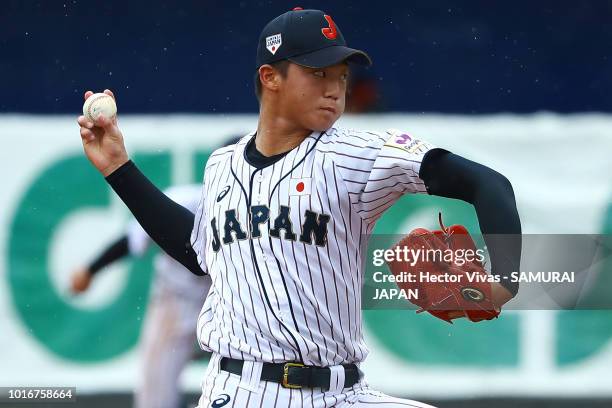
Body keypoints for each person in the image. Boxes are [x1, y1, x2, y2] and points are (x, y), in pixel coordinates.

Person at [77, 8, 521, 407]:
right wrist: (118, 167)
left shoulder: (357, 155)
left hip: (345, 392)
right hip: (243, 392)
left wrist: (504, 282)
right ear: (271, 77)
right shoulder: (221, 166)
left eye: (342, 76)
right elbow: (198, 252)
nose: (335, 89)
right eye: (319, 73)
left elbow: (489, 184)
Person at [70, 185, 211, 408]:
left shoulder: (254, 208)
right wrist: (91, 269)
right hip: (175, 303)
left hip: (223, 305)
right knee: (155, 396)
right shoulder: (185, 200)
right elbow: (132, 239)